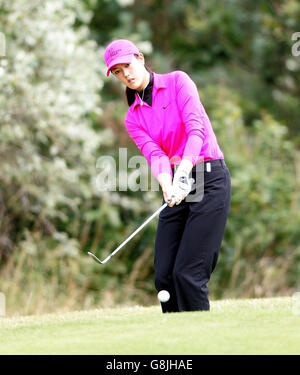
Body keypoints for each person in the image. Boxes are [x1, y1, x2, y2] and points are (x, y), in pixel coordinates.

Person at [104, 39, 231, 312]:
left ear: (140, 57)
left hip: (208, 178)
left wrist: (183, 171)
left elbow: (196, 130)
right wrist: (167, 182)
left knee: (188, 275)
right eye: (117, 72)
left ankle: (200, 345)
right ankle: (174, 344)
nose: (126, 74)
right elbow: (155, 155)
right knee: (164, 277)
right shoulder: (133, 117)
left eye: (127, 65)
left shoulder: (177, 82)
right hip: (177, 184)